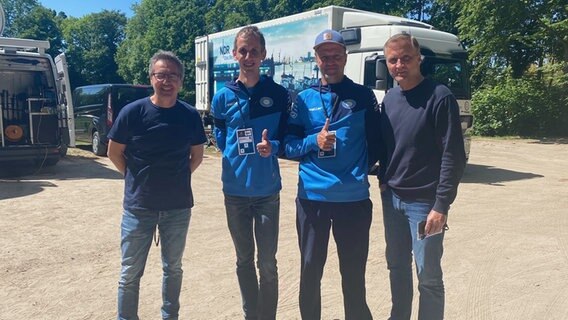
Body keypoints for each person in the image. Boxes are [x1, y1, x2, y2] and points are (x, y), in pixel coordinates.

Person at [284, 29, 381, 320]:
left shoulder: (363, 97)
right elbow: (288, 146)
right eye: (324, 56)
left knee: (353, 274)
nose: (330, 61)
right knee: (310, 269)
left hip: (353, 200)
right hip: (313, 198)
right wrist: (315, 141)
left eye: (336, 55)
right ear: (316, 59)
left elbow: (377, 143)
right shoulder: (302, 99)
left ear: (345, 57)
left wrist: (356, 172)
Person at [107, 50, 207, 320]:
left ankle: (169, 316)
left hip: (177, 207)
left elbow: (196, 156)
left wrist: (175, 178)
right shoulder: (133, 113)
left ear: (181, 81)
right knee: (130, 273)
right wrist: (135, 177)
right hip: (139, 207)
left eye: (172, 75)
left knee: (173, 269)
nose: (166, 81)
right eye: (160, 74)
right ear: (151, 78)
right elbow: (114, 152)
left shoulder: (189, 115)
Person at [378, 33, 467, 320]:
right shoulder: (390, 99)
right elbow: (387, 145)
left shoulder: (439, 97)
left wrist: (441, 205)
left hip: (424, 204)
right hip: (392, 199)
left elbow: (454, 155)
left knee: (428, 276)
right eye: (393, 60)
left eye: (406, 58)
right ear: (387, 64)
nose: (400, 64)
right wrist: (382, 180)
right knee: (397, 267)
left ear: (419, 59)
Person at [210, 26, 290, 320]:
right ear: (234, 54)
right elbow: (219, 128)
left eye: (254, 51)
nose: (248, 56)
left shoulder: (278, 94)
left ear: (263, 55)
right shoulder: (223, 96)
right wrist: (226, 148)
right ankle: (250, 315)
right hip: (234, 191)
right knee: (243, 260)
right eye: (243, 50)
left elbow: (286, 137)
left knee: (267, 263)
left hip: (267, 192)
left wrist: (274, 146)